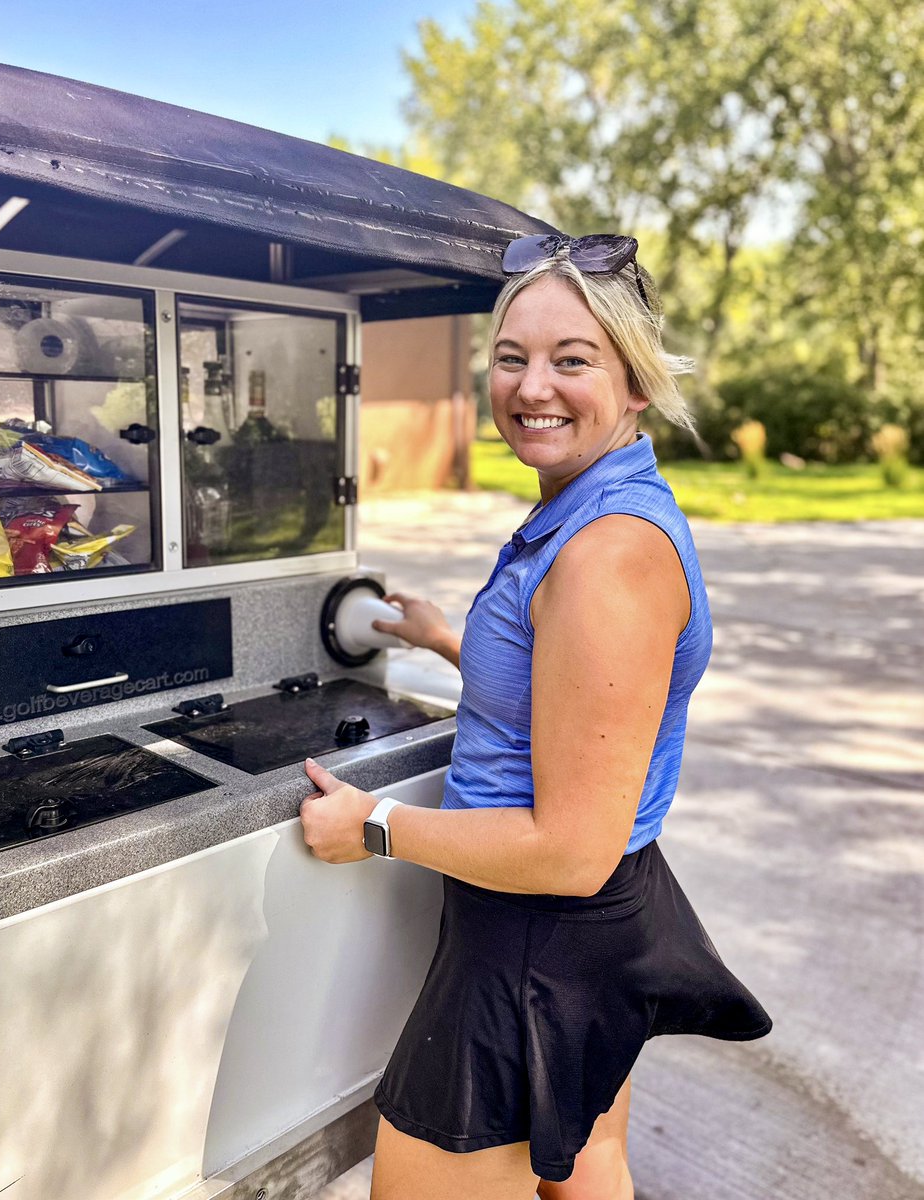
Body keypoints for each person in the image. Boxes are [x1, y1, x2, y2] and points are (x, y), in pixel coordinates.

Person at [299, 232, 772, 1200]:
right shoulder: (597, 507)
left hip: (535, 937)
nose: (531, 386)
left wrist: (374, 827)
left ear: (633, 383)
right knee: (585, 1166)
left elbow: (566, 850)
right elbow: (567, 693)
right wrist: (448, 639)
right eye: (511, 358)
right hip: (595, 927)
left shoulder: (605, 557)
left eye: (571, 359)